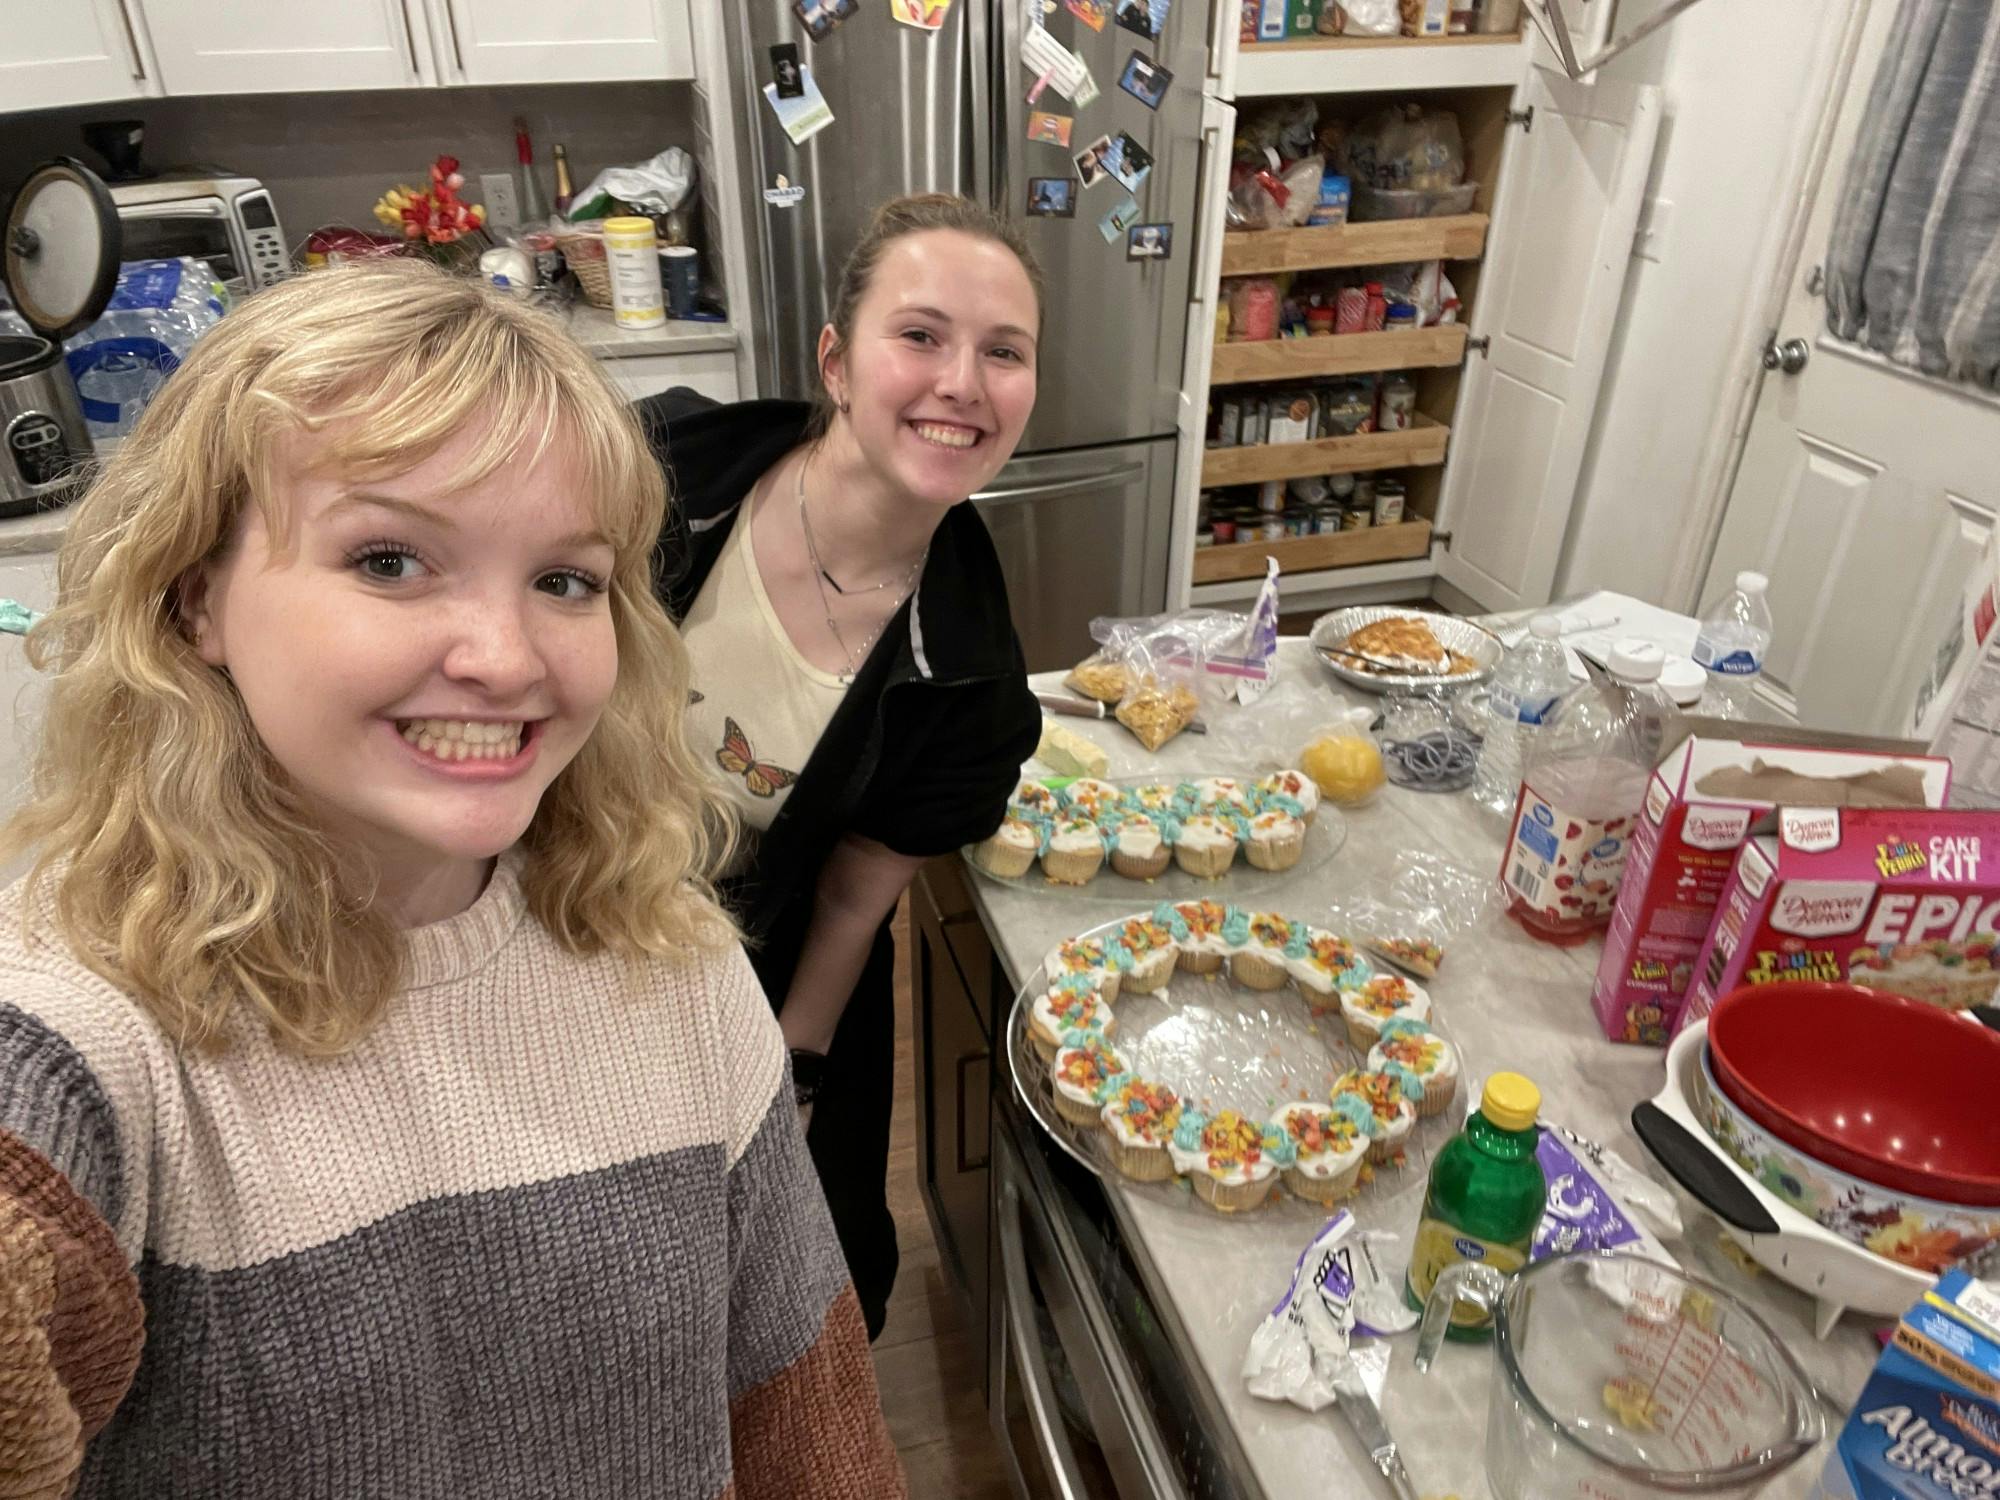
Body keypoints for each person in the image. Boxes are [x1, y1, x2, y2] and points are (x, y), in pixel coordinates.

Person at [0, 261, 903, 1496]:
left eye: (563, 580)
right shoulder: (90, 1025)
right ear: (194, 595)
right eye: (389, 560)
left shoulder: (673, 967)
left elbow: (802, 1414)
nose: (504, 657)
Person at [641, 195, 1042, 1338]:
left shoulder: (970, 675)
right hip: (540, 946)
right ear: (836, 360)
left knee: (781, 1297)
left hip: (754, 979)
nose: (961, 381)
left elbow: (852, 902)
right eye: (919, 335)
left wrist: (791, 1080)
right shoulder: (659, 471)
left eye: (1001, 352)